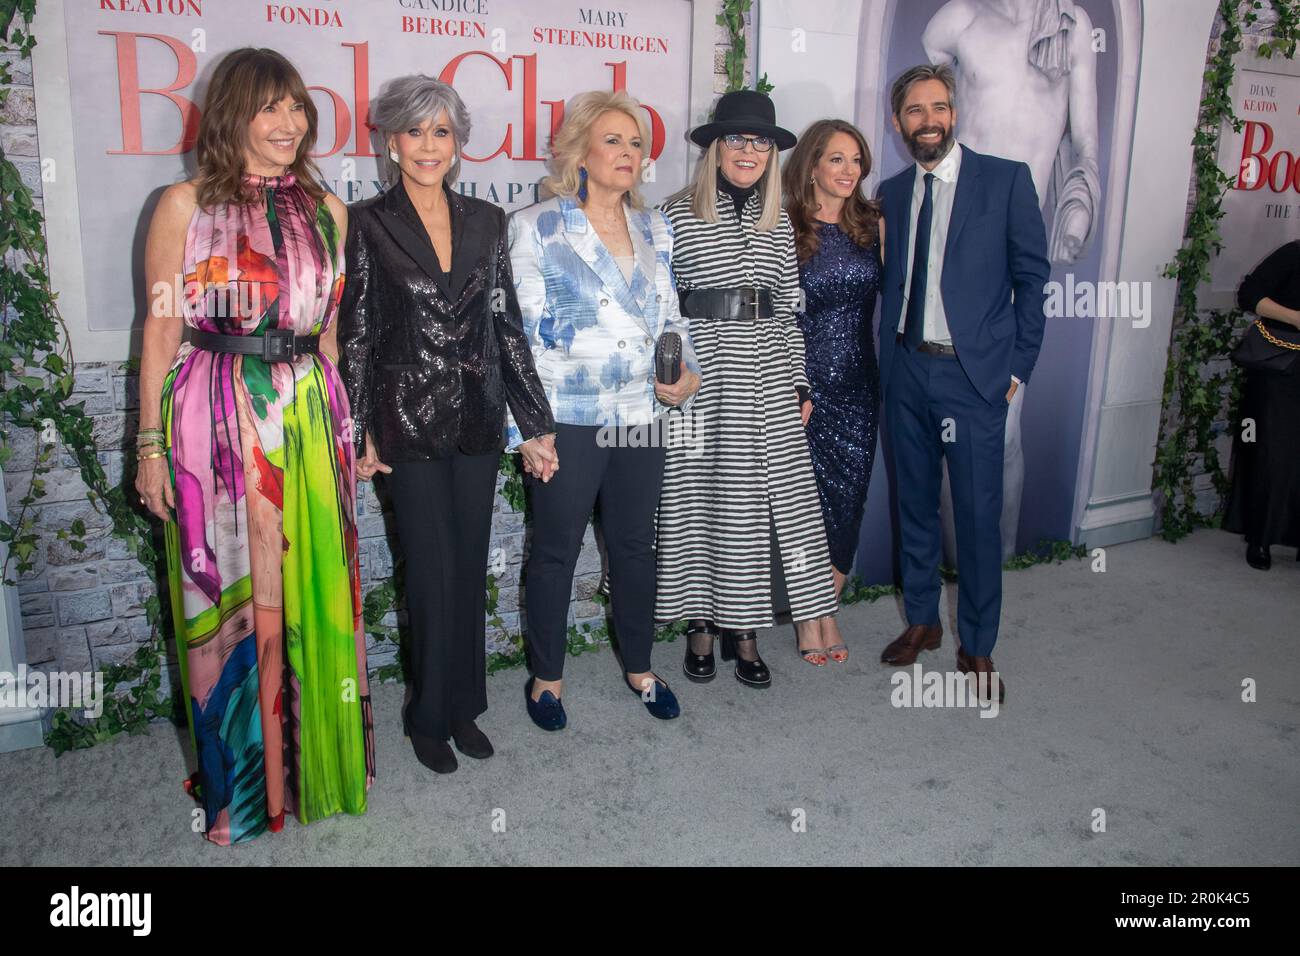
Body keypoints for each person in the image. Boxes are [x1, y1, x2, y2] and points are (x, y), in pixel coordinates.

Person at [135, 48, 373, 844]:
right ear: (234, 114)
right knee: (233, 596)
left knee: (314, 588)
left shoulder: (329, 210)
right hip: (215, 414)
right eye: (271, 107)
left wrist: (350, 429)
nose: (290, 123)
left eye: (297, 107)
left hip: (309, 411)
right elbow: (164, 326)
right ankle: (241, 785)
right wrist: (149, 446)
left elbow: (330, 333)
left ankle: (317, 770)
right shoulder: (184, 204)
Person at [337, 75, 555, 774]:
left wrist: (536, 423)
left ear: (457, 142)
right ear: (391, 142)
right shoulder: (366, 223)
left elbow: (506, 326)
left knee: (466, 568)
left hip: (478, 419)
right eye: (414, 132)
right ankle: (427, 716)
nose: (429, 146)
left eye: (442, 132)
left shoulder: (488, 222)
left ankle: (465, 706)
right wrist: (358, 428)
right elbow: (359, 335)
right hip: (405, 421)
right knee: (428, 575)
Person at [508, 90, 701, 730]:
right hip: (568, 415)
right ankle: (547, 678)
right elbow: (519, 335)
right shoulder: (537, 225)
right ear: (580, 152)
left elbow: (670, 318)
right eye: (613, 140)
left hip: (640, 414)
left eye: (636, 142)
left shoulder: (656, 227)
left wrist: (688, 371)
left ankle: (641, 668)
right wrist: (528, 428)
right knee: (557, 549)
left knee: (634, 546)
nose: (628, 152)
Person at [875, 64, 1049, 703]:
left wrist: (1016, 369)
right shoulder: (892, 191)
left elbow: (1033, 279)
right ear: (899, 122)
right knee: (913, 504)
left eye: (940, 107)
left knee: (976, 517)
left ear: (955, 113)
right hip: (906, 369)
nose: (930, 120)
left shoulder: (1004, 180)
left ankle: (977, 644)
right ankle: (922, 620)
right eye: (916, 110)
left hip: (973, 377)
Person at [655, 90, 838, 687]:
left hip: (766, 378)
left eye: (760, 142)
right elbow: (661, 308)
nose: (750, 151)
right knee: (699, 504)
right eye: (736, 139)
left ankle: (746, 631)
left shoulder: (778, 218)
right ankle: (701, 628)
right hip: (703, 377)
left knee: (754, 511)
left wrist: (799, 379)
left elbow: (788, 308)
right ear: (714, 148)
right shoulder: (675, 214)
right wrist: (673, 374)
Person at [924, 0, 1102, 564]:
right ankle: (958, 569)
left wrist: (1078, 204)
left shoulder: (1071, 26)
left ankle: (993, 568)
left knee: (1004, 424)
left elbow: (1086, 144)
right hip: (952, 232)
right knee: (952, 415)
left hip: (1018, 239)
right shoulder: (958, 20)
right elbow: (931, 123)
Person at [782, 119, 884, 664]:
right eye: (837, 160)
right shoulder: (786, 226)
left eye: (856, 160)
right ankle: (807, 619)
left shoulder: (874, 225)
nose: (850, 171)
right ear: (813, 167)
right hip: (803, 389)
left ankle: (830, 610)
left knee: (846, 503)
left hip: (859, 388)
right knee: (805, 509)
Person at [1224, 241, 1300, 570]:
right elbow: (1249, 295)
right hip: (1281, 368)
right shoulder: (1295, 252)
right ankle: (1261, 537)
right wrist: (1296, 317)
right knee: (1272, 455)